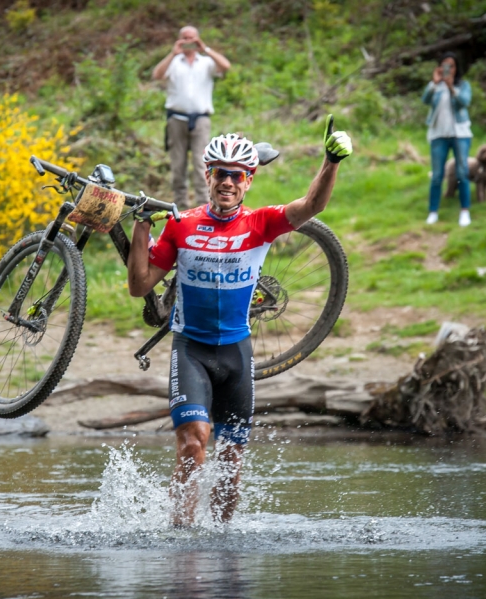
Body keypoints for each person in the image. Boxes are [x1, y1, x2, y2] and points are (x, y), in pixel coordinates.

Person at [127, 118, 353, 526]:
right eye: (219, 174)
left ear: (248, 181)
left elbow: (312, 206)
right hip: (191, 350)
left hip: (237, 353)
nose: (227, 182)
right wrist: (142, 228)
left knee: (231, 461)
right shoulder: (182, 225)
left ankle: (223, 545)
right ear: (208, 177)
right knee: (193, 444)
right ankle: (182, 539)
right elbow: (139, 283)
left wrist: (331, 161)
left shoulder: (261, 223)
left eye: (236, 176)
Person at [152, 26, 231, 212]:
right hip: (176, 119)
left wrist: (206, 49)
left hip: (201, 120)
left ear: (197, 39)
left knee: (201, 163)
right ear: (179, 39)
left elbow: (225, 66)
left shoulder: (206, 62)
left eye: (192, 38)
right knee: (177, 165)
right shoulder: (173, 62)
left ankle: (204, 206)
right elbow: (157, 75)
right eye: (185, 38)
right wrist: (172, 53)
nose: (188, 41)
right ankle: (181, 208)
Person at [422, 52, 473, 227]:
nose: (448, 69)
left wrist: (452, 88)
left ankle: (464, 211)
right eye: (444, 65)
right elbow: (425, 100)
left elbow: (464, 102)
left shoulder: (463, 85)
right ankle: (433, 211)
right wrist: (434, 83)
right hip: (438, 135)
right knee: (437, 175)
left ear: (456, 68)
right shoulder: (435, 86)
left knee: (462, 173)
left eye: (451, 65)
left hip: (460, 134)